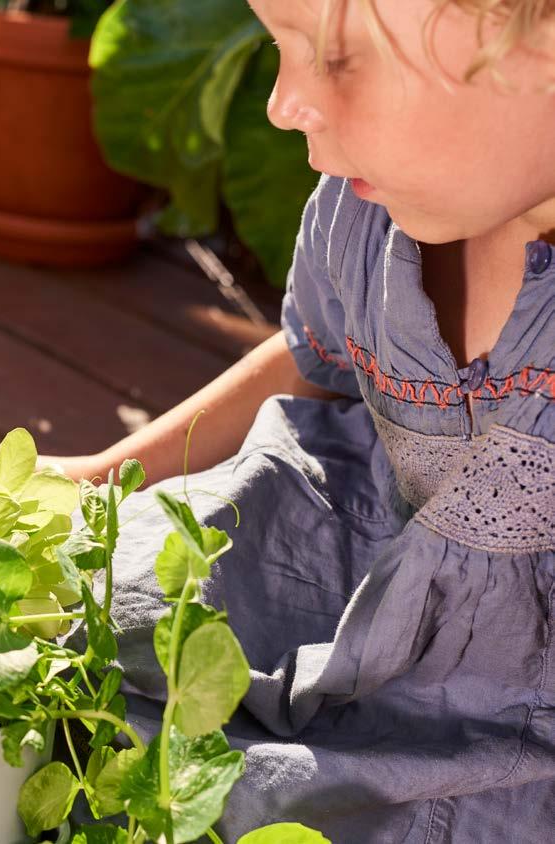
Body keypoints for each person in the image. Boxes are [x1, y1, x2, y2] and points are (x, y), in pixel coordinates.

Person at [60, 1, 555, 840]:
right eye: (276, 47)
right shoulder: (365, 211)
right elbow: (313, 360)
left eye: (335, 58)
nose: (281, 103)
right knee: (105, 609)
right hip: (351, 560)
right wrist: (108, 473)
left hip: (507, 703)